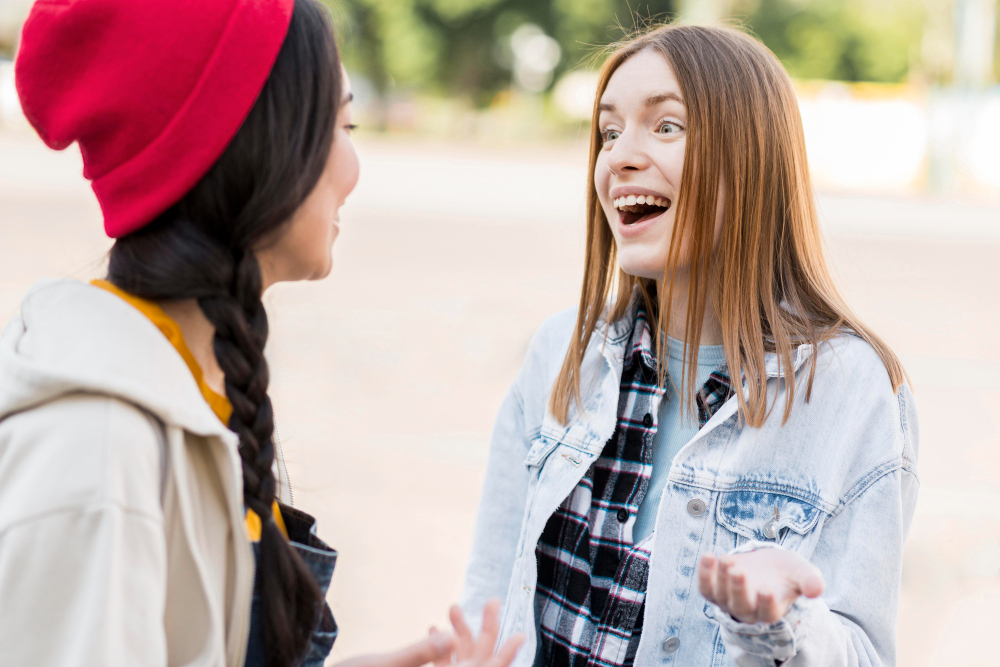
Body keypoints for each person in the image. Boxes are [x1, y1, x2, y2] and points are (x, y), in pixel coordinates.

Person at [0, 1, 521, 666]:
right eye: (341, 124)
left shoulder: (177, 391)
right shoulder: (99, 452)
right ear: (257, 147)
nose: (355, 167)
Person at [460, 24, 918, 667]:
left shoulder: (851, 389)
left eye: (666, 126)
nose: (619, 157)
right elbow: (488, 607)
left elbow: (865, 653)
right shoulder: (560, 351)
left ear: (752, 159)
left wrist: (783, 622)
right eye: (610, 131)